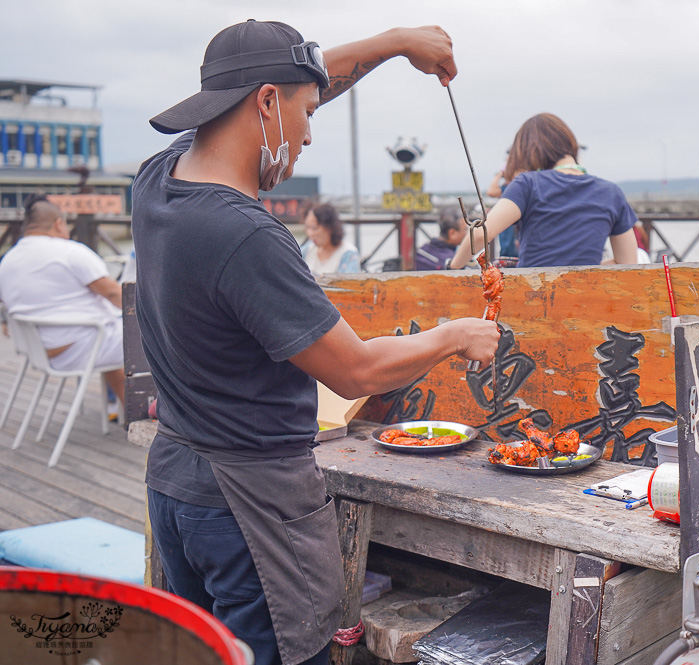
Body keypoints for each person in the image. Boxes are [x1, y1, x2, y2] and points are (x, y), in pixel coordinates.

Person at [132, 20, 499, 665]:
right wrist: (454, 335)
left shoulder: (157, 180)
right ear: (267, 102)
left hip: (175, 488)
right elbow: (355, 372)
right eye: (305, 112)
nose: (308, 133)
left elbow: (284, 84)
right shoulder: (245, 236)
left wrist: (395, 43)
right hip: (249, 510)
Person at [449, 113, 638, 269]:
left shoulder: (528, 184)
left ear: (531, 151)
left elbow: (482, 234)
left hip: (534, 302)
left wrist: (454, 267)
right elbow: (627, 264)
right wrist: (581, 271)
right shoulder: (612, 192)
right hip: (586, 306)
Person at [0, 194, 125, 404]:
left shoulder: (8, 260)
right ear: (59, 224)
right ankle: (159, 416)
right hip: (80, 346)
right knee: (164, 338)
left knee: (121, 338)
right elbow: (115, 295)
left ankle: (127, 408)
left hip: (42, 350)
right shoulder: (69, 252)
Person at [302, 202, 360, 275]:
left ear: (330, 227)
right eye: (307, 228)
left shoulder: (348, 253)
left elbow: (349, 283)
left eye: (314, 228)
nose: (310, 233)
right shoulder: (308, 249)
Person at [415, 205, 464, 270]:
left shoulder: (421, 251)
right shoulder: (453, 261)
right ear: (452, 233)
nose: (467, 233)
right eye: (465, 229)